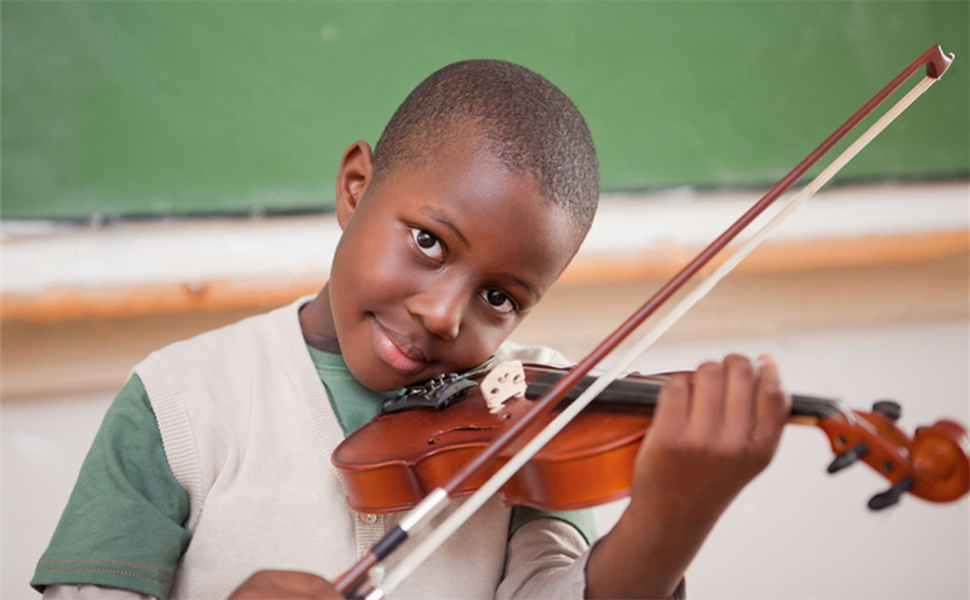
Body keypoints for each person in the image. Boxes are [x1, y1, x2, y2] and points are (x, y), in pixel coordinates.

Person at [32, 60, 788, 600]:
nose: (441, 314)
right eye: (429, 241)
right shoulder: (179, 405)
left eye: (499, 296)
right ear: (356, 188)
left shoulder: (525, 427)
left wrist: (669, 515)